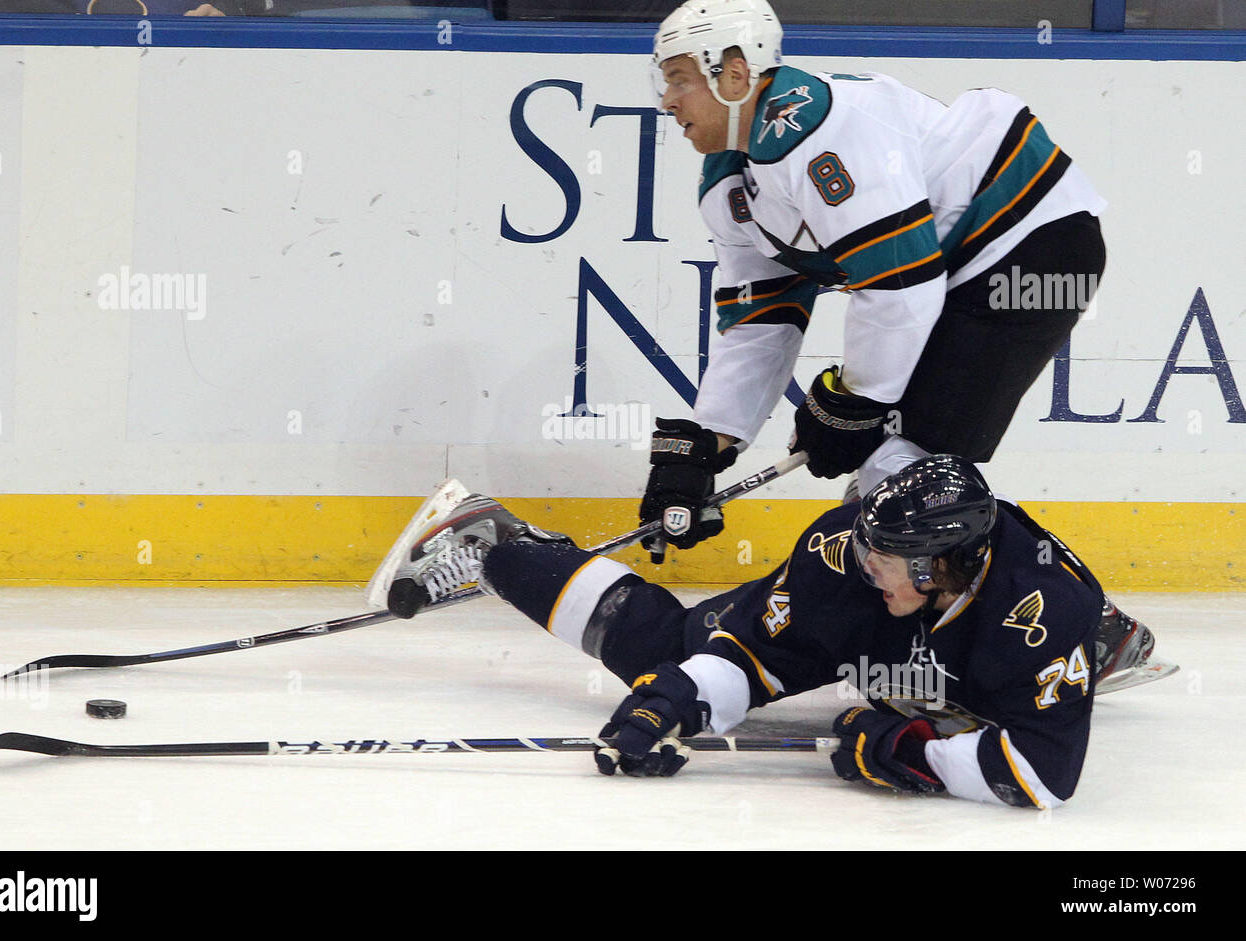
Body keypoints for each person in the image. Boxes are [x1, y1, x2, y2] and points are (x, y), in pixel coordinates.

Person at [637, 0, 1159, 687]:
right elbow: (762, 319)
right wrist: (708, 443)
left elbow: (901, 284)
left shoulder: (820, 129)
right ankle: (1053, 626)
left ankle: (1080, 628)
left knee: (904, 468)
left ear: (735, 73)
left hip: (1033, 244)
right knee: (900, 473)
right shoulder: (731, 183)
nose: (666, 101)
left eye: (679, 79)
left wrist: (854, 405)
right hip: (966, 263)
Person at [380, 455, 1102, 808]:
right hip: (890, 641)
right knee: (669, 649)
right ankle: (497, 545)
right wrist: (677, 697)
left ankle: (1104, 647)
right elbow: (750, 655)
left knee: (999, 702)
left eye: (886, 558)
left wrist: (902, 751)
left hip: (994, 658)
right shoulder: (842, 556)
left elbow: (1040, 774)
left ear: (941, 562)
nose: (865, 561)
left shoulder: (1040, 613)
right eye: (867, 547)